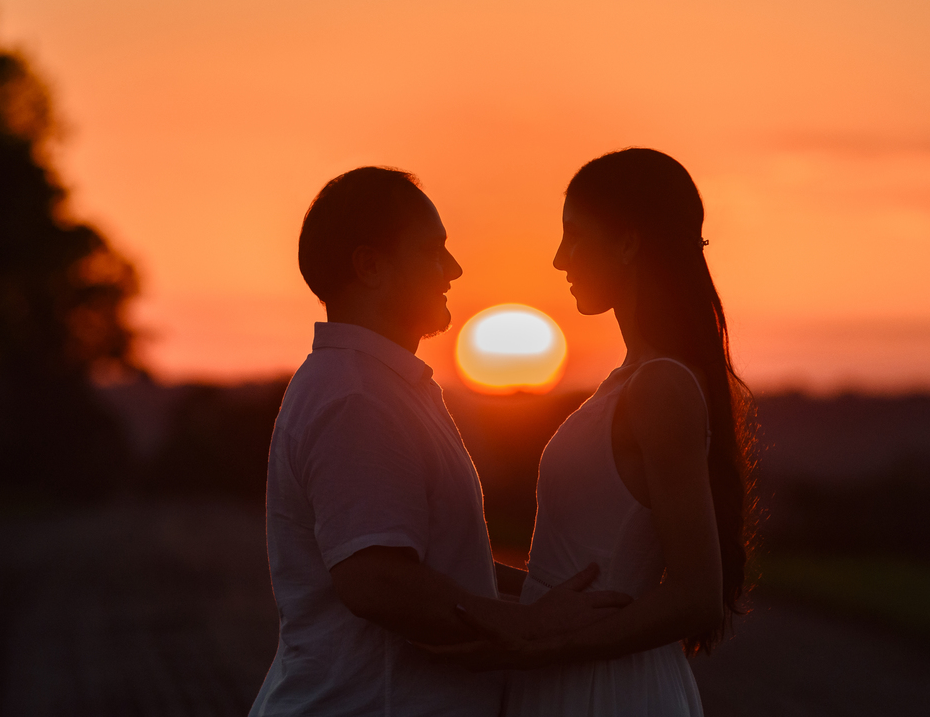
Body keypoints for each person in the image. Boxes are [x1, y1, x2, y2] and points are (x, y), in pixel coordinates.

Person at [247, 166, 630, 717]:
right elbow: (376, 582)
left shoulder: (381, 387)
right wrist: (528, 624)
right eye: (432, 251)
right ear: (371, 266)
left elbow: (434, 565)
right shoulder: (358, 398)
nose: (452, 269)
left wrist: (542, 593)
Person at [426, 149, 755, 716]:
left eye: (574, 236)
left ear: (628, 243)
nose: (558, 259)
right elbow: (574, 572)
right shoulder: (629, 383)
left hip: (608, 692)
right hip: (571, 683)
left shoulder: (661, 389)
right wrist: (452, 579)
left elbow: (697, 596)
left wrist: (541, 649)